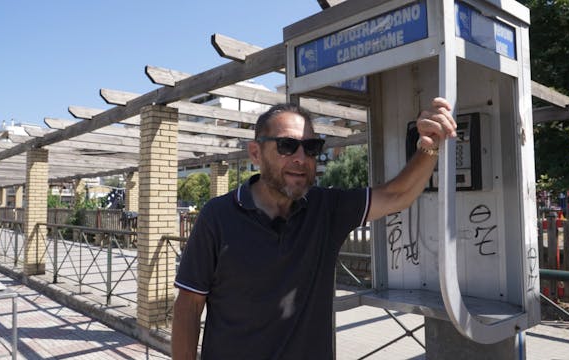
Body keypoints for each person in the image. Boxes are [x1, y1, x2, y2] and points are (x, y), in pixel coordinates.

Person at [172, 98, 456, 359]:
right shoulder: (218, 216)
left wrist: (429, 145)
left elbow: (398, 195)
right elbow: (189, 306)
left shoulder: (326, 209)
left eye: (311, 148)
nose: (301, 158)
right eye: (286, 146)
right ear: (255, 153)